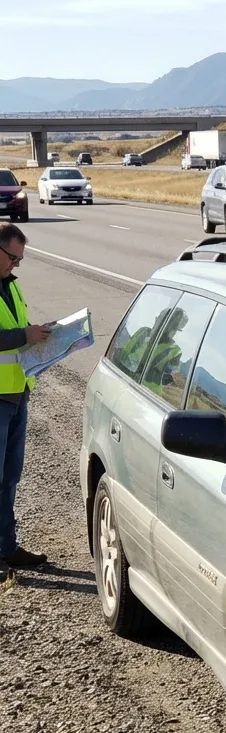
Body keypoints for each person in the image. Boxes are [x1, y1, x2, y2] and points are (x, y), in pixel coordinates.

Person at [0, 223, 50, 580]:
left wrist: (41, 335)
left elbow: (19, 327)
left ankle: (6, 547)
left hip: (17, 394)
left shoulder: (11, 286)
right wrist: (23, 335)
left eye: (19, 260)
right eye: (12, 258)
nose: (16, 265)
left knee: (9, 477)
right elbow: (13, 334)